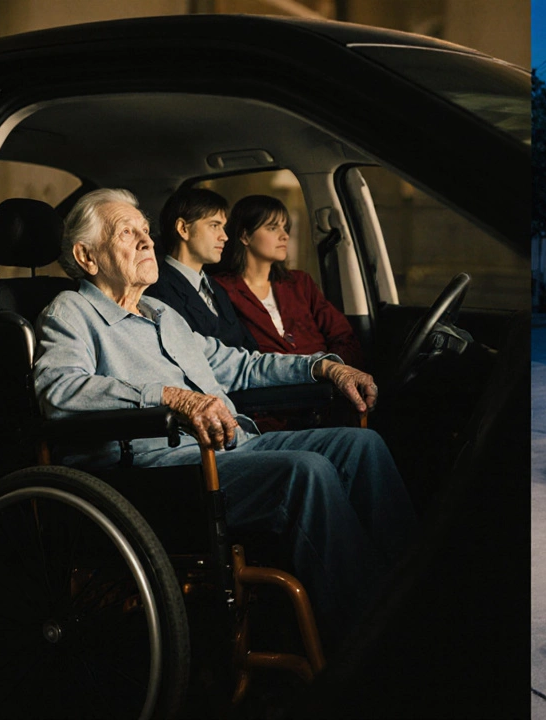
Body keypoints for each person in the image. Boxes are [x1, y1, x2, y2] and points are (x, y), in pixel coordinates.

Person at [33, 187, 416, 645]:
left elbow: (240, 364)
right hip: (151, 471)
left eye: (145, 231)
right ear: (86, 256)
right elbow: (59, 391)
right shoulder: (70, 311)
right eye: (126, 232)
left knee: (361, 445)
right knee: (306, 471)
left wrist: (323, 364)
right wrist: (171, 397)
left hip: (231, 447)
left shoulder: (162, 314)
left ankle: (411, 595)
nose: (146, 240)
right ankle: (371, 636)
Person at [213, 195, 364, 368]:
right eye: (272, 228)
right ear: (245, 236)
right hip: (270, 384)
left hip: (326, 383)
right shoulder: (221, 289)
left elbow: (344, 336)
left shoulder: (300, 283)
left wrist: (332, 368)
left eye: (285, 228)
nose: (284, 235)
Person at [144, 187, 257, 350]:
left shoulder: (216, 289)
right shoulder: (158, 291)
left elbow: (248, 344)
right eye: (214, 225)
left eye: (223, 227)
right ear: (183, 229)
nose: (224, 237)